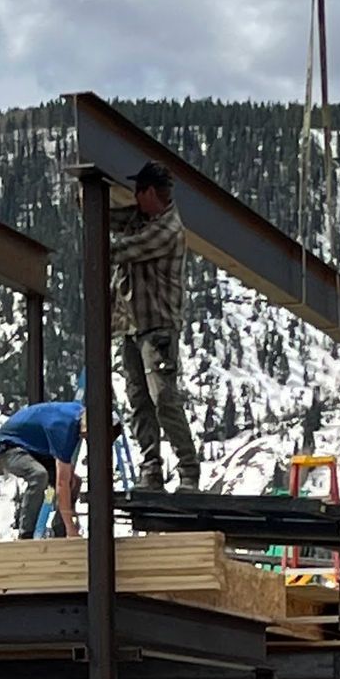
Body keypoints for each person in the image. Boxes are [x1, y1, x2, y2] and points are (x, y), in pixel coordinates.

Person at [111, 159, 199, 494]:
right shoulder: (142, 218)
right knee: (139, 400)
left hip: (158, 327)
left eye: (138, 191)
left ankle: (188, 470)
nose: (135, 196)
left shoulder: (167, 229)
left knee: (163, 397)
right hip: (134, 327)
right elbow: (111, 218)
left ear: (149, 192)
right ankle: (151, 471)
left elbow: (126, 249)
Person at [0, 397, 83, 538]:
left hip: (34, 449)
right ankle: (26, 533)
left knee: (73, 482)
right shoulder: (64, 429)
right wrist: (71, 529)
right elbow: (61, 483)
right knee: (39, 475)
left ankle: (60, 528)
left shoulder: (79, 413)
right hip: (6, 446)